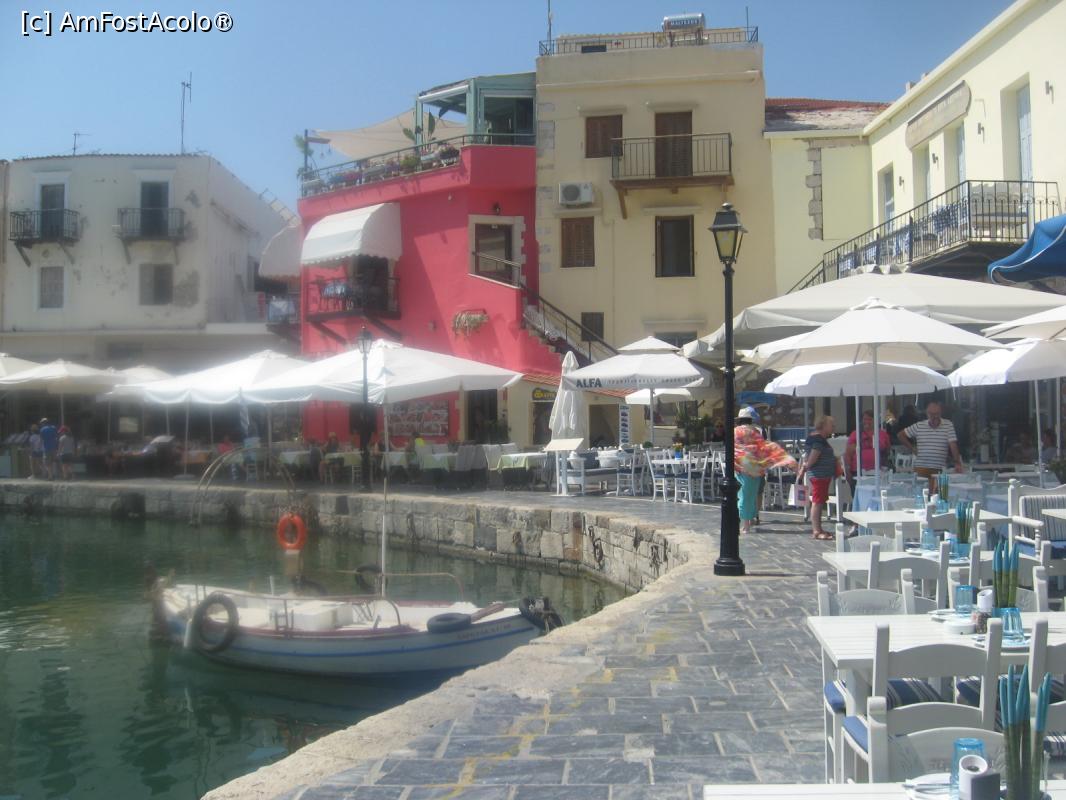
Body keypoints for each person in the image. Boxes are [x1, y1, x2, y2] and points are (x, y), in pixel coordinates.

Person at [734, 406, 796, 534]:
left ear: (739, 420)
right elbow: (764, 448)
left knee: (744, 497)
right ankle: (750, 521)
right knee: (751, 497)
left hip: (742, 469)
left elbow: (734, 451)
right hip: (757, 470)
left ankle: (746, 526)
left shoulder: (735, 432)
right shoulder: (756, 432)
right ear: (750, 420)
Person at [898, 399, 964, 493]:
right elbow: (901, 435)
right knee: (921, 495)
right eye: (932, 414)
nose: (935, 416)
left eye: (937, 414)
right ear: (927, 414)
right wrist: (913, 448)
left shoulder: (948, 425)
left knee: (939, 496)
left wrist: (957, 462)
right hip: (921, 468)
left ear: (940, 413)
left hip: (939, 469)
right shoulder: (919, 426)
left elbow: (953, 444)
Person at [797, 415, 837, 540]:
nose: (834, 427)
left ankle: (819, 529)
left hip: (821, 475)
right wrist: (806, 466)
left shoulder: (817, 438)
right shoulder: (818, 440)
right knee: (817, 502)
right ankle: (816, 530)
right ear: (823, 426)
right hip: (819, 475)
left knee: (819, 501)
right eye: (831, 425)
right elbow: (813, 456)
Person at [845, 409, 891, 485]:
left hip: (878, 472)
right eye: (865, 419)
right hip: (858, 472)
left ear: (875, 420)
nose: (867, 421)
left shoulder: (883, 434)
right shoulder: (855, 434)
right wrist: (847, 471)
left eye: (869, 419)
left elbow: (887, 451)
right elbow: (848, 454)